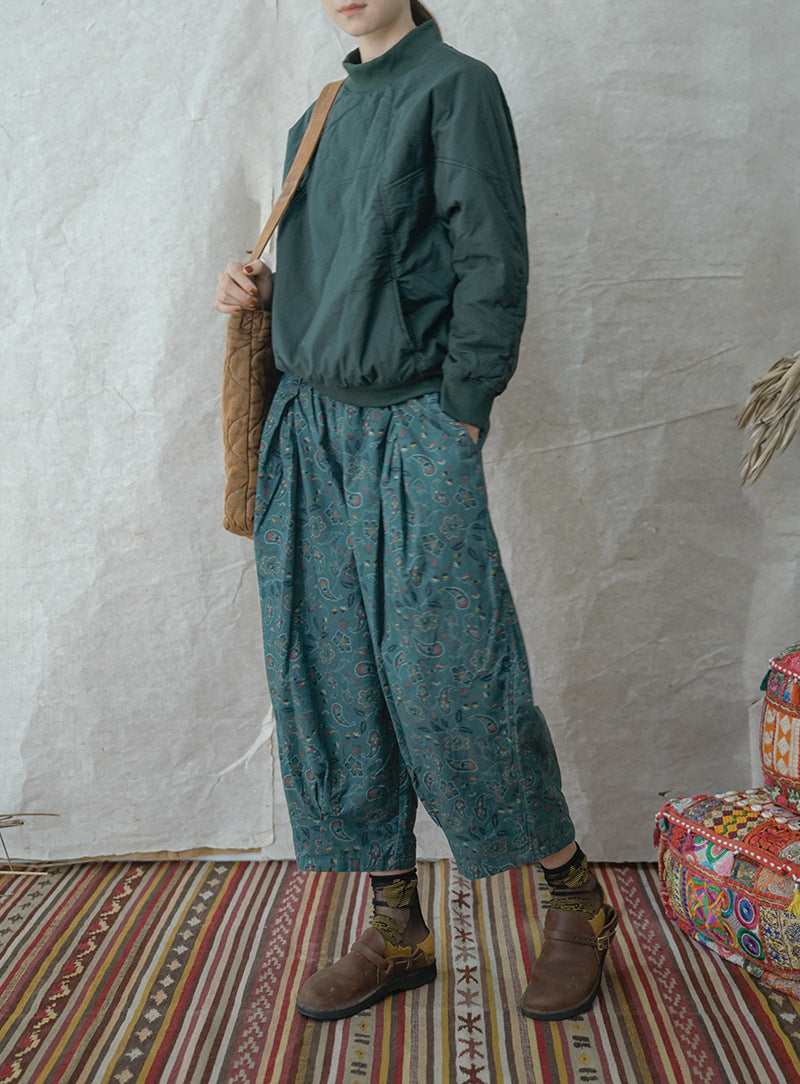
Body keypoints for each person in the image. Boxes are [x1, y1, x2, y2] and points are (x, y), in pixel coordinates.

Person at [215, 0, 618, 1023]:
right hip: (307, 427)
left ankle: (575, 895)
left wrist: (462, 412)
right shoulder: (317, 112)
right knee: (332, 675)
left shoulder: (457, 87)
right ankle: (397, 926)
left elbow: (491, 257)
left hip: (414, 425)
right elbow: (341, 273)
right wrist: (260, 292)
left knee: (453, 675)